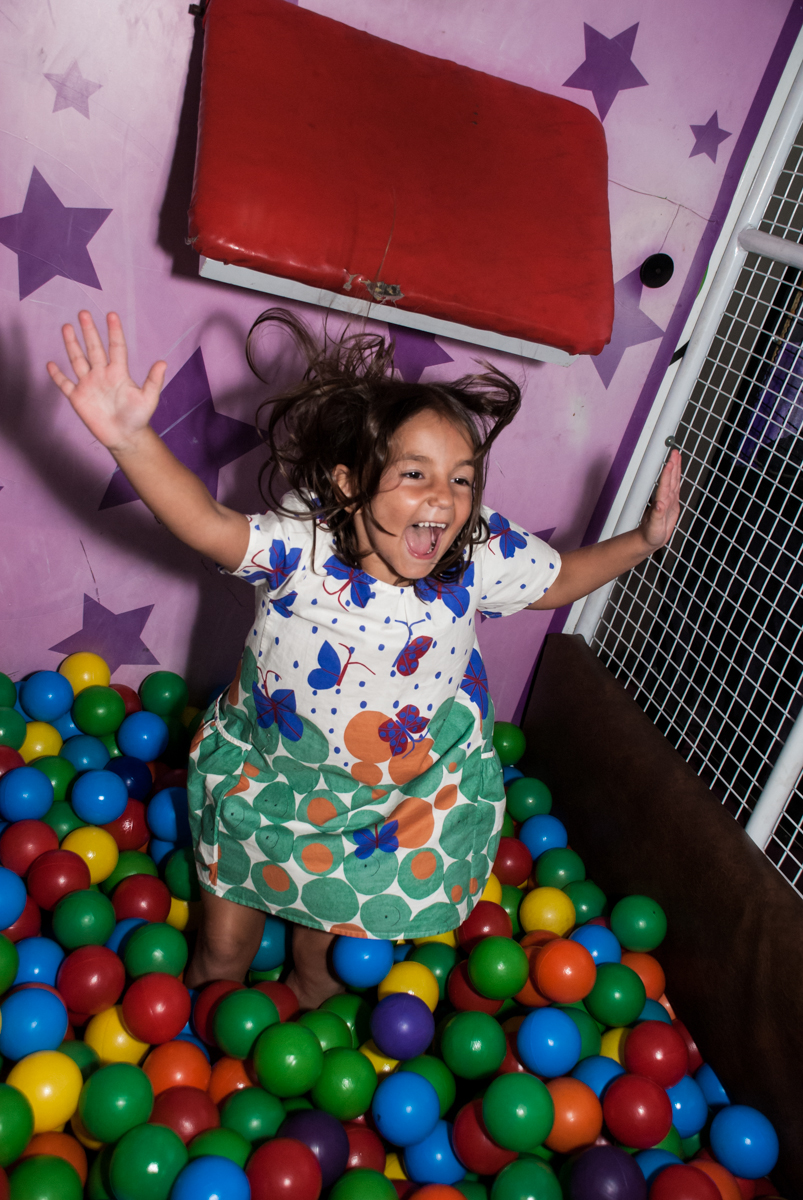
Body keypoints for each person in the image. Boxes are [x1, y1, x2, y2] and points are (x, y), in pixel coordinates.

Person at [48, 309, 681, 1008]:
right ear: (350, 484)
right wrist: (131, 438)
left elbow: (557, 579)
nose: (443, 498)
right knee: (220, 955)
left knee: (319, 974)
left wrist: (642, 541)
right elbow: (206, 522)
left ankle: (297, 1083)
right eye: (415, 473)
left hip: (378, 816)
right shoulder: (303, 545)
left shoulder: (476, 552)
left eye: (462, 479)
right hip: (265, 787)